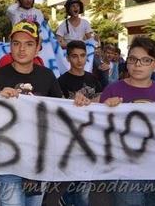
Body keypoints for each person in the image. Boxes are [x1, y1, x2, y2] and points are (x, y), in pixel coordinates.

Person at [0, 20, 63, 206]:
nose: (22, 49)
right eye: (16, 43)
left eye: (29, 44)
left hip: (38, 160)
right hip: (6, 160)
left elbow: (62, 112)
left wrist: (81, 103)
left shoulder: (47, 76)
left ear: (38, 47)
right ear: (10, 47)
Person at [100, 37, 155, 206]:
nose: (138, 64)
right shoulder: (112, 89)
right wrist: (105, 110)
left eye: (146, 60)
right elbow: (99, 129)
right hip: (123, 169)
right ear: (127, 62)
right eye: (133, 59)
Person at [57, 40, 102, 206]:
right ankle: (69, 199)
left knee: (85, 178)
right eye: (74, 56)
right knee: (83, 179)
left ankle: (67, 198)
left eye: (82, 56)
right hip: (71, 135)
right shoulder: (61, 81)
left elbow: (101, 102)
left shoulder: (93, 79)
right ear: (68, 58)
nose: (79, 60)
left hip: (92, 134)